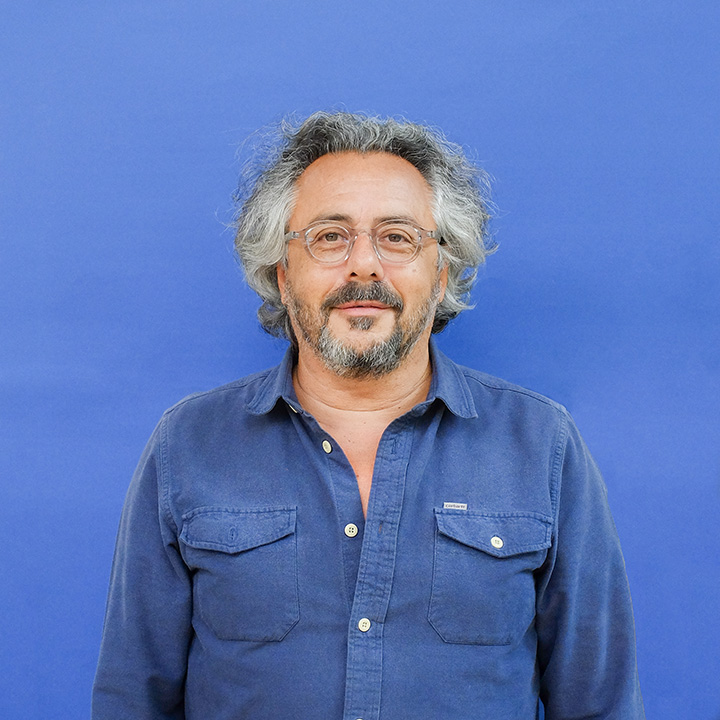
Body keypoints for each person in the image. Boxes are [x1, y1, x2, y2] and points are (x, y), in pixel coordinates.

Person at [92, 112, 645, 719]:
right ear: (283, 274)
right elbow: (132, 700)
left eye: (398, 237)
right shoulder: (188, 444)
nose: (364, 265)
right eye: (330, 236)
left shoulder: (543, 446)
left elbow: (601, 705)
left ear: (441, 274)